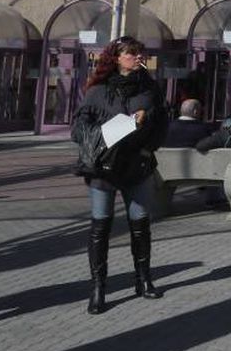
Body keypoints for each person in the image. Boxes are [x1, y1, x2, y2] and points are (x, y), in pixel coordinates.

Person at [70, 35, 169, 314]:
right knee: (101, 226)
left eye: (141, 53)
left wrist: (149, 149)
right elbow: (78, 128)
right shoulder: (98, 90)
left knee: (140, 224)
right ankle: (99, 288)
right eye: (132, 53)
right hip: (104, 168)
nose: (138, 57)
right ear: (117, 58)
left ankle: (143, 280)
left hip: (137, 166)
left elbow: (162, 122)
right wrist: (108, 132)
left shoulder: (150, 89)